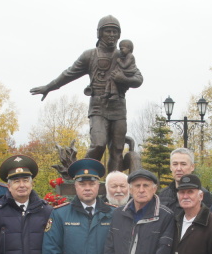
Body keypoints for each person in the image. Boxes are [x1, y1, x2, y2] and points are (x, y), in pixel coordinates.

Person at [30, 15, 144, 173]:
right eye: (108, 31)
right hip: (98, 105)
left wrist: (122, 78)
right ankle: (80, 175)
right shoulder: (90, 55)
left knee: (117, 150)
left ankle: (114, 185)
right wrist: (49, 87)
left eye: (114, 32)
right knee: (98, 144)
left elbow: (138, 79)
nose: (111, 35)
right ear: (100, 33)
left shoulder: (124, 56)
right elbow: (68, 74)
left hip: (118, 105)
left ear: (119, 35)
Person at [157, 148, 212, 215]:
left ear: (192, 167)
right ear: (170, 167)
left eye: (183, 164)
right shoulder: (163, 194)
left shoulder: (203, 195)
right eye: (175, 164)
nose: (178, 169)